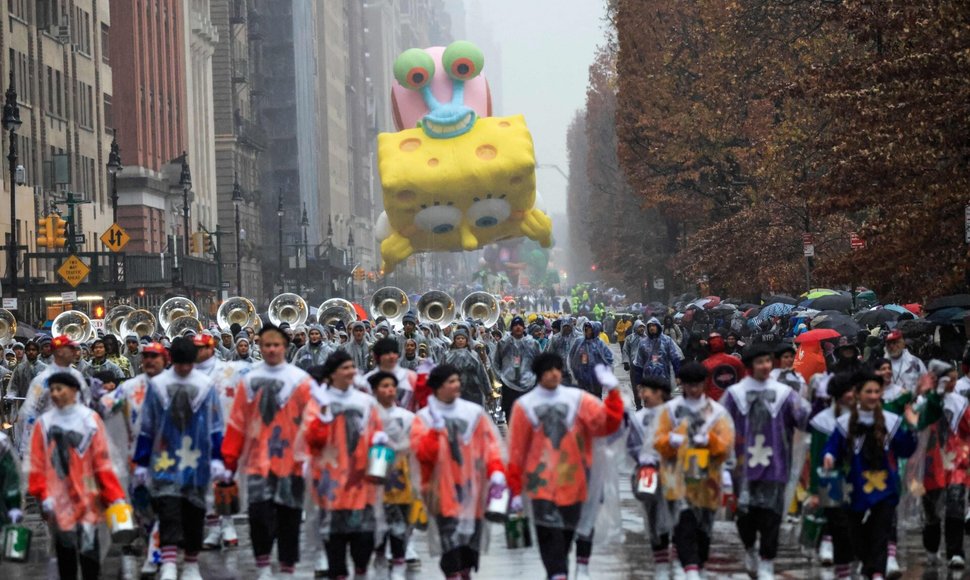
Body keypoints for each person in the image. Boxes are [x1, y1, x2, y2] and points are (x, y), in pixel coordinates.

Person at [506, 354, 624, 580]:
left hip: (576, 482)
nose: (554, 374)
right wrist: (514, 488)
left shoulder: (580, 400)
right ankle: (557, 574)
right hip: (540, 484)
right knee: (549, 537)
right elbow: (516, 449)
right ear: (539, 374)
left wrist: (614, 393)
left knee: (568, 535)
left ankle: (563, 570)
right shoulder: (524, 406)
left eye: (558, 369)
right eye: (549, 370)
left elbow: (606, 424)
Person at [222, 324, 316, 578]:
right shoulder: (250, 381)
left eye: (276, 344)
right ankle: (263, 566)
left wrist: (312, 457)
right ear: (260, 347)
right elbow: (237, 422)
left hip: (292, 463)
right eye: (266, 345)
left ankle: (287, 568)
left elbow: (313, 422)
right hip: (258, 462)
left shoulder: (301, 381)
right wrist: (228, 462)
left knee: (290, 517)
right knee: (259, 516)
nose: (271, 349)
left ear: (285, 347)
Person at [133, 337, 224, 580]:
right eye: (180, 364)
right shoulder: (159, 385)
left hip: (197, 461)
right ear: (173, 360)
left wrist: (217, 457)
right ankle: (170, 563)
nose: (184, 369)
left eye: (188, 364)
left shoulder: (205, 385)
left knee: (194, 512)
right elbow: (148, 425)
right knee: (168, 510)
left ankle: (192, 564)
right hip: (164, 460)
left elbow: (216, 424)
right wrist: (141, 461)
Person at [721, 344, 810, 579]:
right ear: (751, 366)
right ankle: (750, 548)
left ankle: (767, 561)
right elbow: (720, 426)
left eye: (768, 361)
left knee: (772, 515)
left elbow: (803, 419)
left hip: (776, 465)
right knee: (746, 516)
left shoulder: (784, 393)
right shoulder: (735, 394)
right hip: (743, 468)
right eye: (760, 362)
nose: (765, 366)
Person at [27, 372, 126, 580]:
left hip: (88, 498)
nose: (54, 394)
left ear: (74, 391)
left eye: (59, 389)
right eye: (52, 389)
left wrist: (113, 494)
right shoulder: (43, 424)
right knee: (65, 555)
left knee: (89, 552)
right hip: (58, 499)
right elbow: (37, 463)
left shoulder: (90, 420)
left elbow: (102, 460)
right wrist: (42, 494)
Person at [411, 364, 506, 579]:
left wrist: (497, 471)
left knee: (470, 545)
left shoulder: (474, 413)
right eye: (450, 382)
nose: (457, 385)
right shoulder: (424, 418)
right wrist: (435, 432)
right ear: (437, 387)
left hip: (473, 489)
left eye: (457, 381)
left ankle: (466, 572)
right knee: (450, 545)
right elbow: (422, 455)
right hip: (441, 492)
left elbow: (490, 446)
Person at [824, 370, 919, 579]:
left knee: (880, 531)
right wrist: (829, 456)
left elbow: (905, 449)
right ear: (858, 394)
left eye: (877, 391)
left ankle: (877, 572)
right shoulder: (844, 423)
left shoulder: (891, 420)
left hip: (885, 488)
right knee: (855, 534)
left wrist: (912, 426)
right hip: (854, 488)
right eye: (869, 391)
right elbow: (832, 447)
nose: (874, 396)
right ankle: (868, 567)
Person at [304, 350, 385, 580]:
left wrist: (379, 469)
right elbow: (310, 440)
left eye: (352, 367)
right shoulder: (319, 403)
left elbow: (380, 437)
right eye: (345, 368)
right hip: (330, 485)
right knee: (335, 543)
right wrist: (322, 418)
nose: (351, 372)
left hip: (362, 484)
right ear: (331, 374)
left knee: (363, 541)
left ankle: (361, 574)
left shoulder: (366, 402)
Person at [654, 362, 735, 580]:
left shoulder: (717, 412)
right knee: (683, 522)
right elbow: (657, 440)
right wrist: (669, 440)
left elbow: (727, 445)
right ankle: (689, 568)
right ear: (682, 384)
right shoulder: (670, 411)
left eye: (698, 384)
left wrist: (710, 440)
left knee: (704, 528)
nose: (694, 389)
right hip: (677, 476)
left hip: (707, 478)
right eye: (689, 385)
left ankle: (697, 564)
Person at [915, 360, 970, 570]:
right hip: (930, 464)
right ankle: (931, 547)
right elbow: (918, 424)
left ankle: (956, 552)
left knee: (955, 506)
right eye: (949, 379)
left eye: (955, 379)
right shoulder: (923, 401)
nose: (953, 383)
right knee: (932, 511)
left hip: (955, 462)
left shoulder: (960, 402)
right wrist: (934, 396)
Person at [371, 371, 419, 580]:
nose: (389, 390)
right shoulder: (368, 416)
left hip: (401, 478)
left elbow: (418, 446)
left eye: (392, 386)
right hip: (374, 477)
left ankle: (398, 567)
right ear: (374, 391)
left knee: (401, 522)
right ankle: (379, 564)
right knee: (377, 524)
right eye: (384, 386)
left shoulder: (407, 417)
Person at [805, 373, 855, 575]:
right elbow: (817, 455)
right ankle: (827, 542)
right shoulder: (822, 421)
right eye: (847, 392)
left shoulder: (863, 415)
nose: (852, 395)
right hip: (831, 476)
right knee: (834, 513)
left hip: (856, 474)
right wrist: (814, 489)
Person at [626, 375, 675, 578]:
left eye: (648, 391)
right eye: (641, 391)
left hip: (675, 471)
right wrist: (642, 459)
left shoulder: (676, 413)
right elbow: (630, 445)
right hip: (648, 472)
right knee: (652, 513)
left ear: (660, 393)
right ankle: (661, 562)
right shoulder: (637, 418)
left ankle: (682, 558)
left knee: (679, 514)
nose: (643, 395)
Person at [17, 335, 89, 455]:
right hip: (50, 442)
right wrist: (26, 450)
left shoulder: (78, 377)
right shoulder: (42, 380)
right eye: (70, 348)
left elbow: (86, 405)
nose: (75, 352)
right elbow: (30, 412)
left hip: (76, 442)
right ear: (59, 351)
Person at [494, 316, 541, 421]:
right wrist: (501, 377)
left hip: (528, 384)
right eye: (515, 325)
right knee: (510, 413)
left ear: (524, 327)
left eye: (520, 325)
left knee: (527, 413)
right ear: (511, 328)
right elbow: (496, 362)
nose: (518, 327)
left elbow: (540, 362)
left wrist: (536, 378)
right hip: (508, 384)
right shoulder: (503, 343)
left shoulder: (533, 343)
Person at [362, 338, 417, 410]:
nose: (391, 356)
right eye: (387, 352)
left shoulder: (411, 377)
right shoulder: (367, 380)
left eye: (394, 352)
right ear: (377, 356)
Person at [443, 328, 492, 406]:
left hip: (472, 390)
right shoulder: (447, 355)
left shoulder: (474, 355)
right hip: (453, 389)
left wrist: (488, 391)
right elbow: (441, 373)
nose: (460, 340)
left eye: (462, 338)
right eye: (458, 338)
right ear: (454, 340)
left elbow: (481, 373)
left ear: (466, 340)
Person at [568, 321, 615, 398]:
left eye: (589, 328)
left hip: (596, 377)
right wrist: (575, 371)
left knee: (596, 398)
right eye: (585, 327)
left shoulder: (600, 344)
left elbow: (609, 359)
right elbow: (571, 356)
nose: (587, 329)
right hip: (582, 376)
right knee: (584, 399)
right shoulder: (579, 342)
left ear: (594, 330)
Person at [635, 317, 683, 385]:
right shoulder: (643, 343)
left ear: (658, 326)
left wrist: (678, 376)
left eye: (654, 325)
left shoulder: (667, 340)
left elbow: (675, 358)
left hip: (664, 378)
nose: (651, 328)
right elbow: (638, 363)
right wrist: (638, 382)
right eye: (650, 326)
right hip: (648, 379)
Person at [702, 332, 746, 401]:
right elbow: (742, 378)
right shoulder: (735, 361)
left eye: (732, 339)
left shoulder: (706, 363)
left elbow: (704, 385)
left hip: (714, 400)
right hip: (734, 398)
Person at [885, 329, 926, 394]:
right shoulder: (882, 364)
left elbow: (925, 382)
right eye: (889, 344)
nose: (892, 346)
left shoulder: (915, 362)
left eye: (895, 342)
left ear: (903, 343)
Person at [546, 317, 579, 386]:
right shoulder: (555, 338)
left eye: (568, 326)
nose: (566, 328)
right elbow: (550, 353)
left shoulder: (578, 338)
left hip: (575, 372)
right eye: (564, 326)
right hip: (560, 372)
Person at [623, 320, 647, 409]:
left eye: (643, 327)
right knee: (635, 386)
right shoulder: (630, 338)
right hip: (634, 367)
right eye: (640, 327)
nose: (641, 329)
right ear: (635, 327)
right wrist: (626, 362)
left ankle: (647, 404)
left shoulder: (647, 338)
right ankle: (638, 405)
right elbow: (625, 350)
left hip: (645, 366)